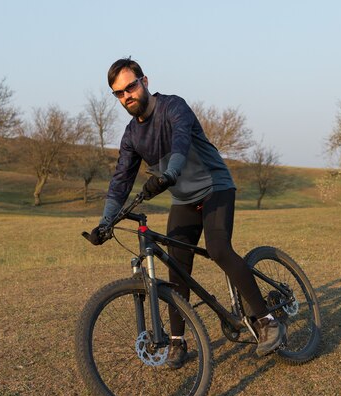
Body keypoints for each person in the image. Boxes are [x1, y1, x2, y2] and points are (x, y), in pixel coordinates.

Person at [88, 58, 285, 367]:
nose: (127, 96)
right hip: (184, 198)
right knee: (177, 265)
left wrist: (170, 174)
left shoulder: (173, 107)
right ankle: (178, 342)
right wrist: (105, 222)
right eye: (119, 93)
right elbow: (120, 182)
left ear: (145, 81)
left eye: (131, 86)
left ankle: (266, 321)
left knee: (219, 249)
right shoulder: (131, 136)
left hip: (215, 185)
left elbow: (180, 142)